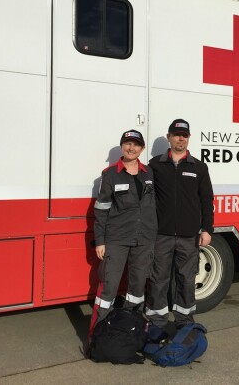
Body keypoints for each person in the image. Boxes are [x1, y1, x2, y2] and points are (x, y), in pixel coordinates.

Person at [146, 119, 214, 328]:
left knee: (186, 279)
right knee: (159, 279)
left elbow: (206, 199)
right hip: (162, 234)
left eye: (184, 135)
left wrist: (207, 229)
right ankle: (156, 320)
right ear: (169, 137)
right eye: (176, 134)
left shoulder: (199, 167)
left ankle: (184, 320)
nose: (180, 138)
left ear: (189, 138)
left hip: (188, 236)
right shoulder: (155, 165)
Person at [89, 129, 157, 336]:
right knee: (108, 288)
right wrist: (100, 241)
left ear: (142, 149)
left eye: (136, 144)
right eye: (127, 143)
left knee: (137, 288)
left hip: (144, 238)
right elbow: (101, 210)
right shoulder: (110, 174)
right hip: (117, 239)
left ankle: (132, 330)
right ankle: (97, 334)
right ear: (122, 146)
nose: (131, 148)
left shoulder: (149, 173)